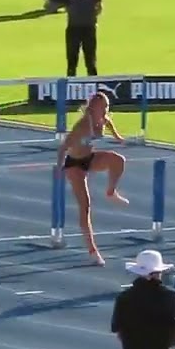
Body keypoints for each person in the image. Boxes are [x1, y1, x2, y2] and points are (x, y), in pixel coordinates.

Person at [57, 93, 128, 265]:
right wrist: (60, 168)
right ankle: (92, 250)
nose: (106, 110)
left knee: (118, 160)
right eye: (103, 107)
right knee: (85, 205)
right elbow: (64, 147)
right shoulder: (83, 125)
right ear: (94, 107)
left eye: (107, 106)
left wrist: (118, 137)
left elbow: (109, 123)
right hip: (74, 164)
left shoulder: (102, 119)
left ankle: (110, 191)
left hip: (89, 158)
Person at [63, 0, 102, 77]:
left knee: (90, 58)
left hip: (89, 27)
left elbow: (99, 7)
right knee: (72, 58)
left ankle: (93, 81)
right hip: (73, 27)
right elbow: (64, 4)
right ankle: (70, 81)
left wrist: (91, 17)